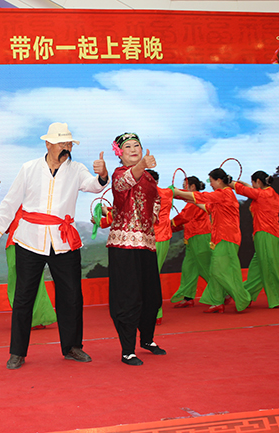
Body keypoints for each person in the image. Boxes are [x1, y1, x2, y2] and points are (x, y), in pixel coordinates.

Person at [0, 122, 107, 370]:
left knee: (71, 296)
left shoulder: (77, 169)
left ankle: (72, 347)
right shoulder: (29, 168)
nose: (67, 147)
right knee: (24, 297)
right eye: (62, 143)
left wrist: (103, 175)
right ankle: (17, 352)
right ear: (48, 144)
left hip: (64, 241)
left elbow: (94, 185)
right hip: (29, 240)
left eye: (69, 143)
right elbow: (10, 202)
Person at [106, 132, 166, 366]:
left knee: (152, 296)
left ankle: (147, 339)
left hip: (146, 243)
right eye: (128, 147)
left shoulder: (149, 177)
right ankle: (127, 349)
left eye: (137, 146)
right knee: (128, 297)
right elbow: (124, 184)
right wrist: (142, 165)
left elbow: (156, 200)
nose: (133, 149)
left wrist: (151, 219)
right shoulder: (119, 173)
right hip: (124, 245)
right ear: (119, 153)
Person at [173, 168, 251, 313]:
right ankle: (217, 302)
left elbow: (203, 198)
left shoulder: (224, 193)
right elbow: (207, 207)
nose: (210, 184)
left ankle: (242, 298)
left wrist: (178, 193)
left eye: (211, 181)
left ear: (219, 180)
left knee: (221, 270)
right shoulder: (220, 197)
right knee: (216, 270)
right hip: (220, 237)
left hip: (227, 237)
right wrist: (187, 198)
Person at [231, 171, 279, 308]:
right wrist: (243, 184)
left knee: (269, 266)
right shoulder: (272, 193)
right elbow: (250, 189)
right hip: (270, 233)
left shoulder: (261, 194)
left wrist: (228, 182)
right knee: (257, 268)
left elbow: (245, 190)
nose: (252, 185)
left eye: (253, 183)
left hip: (265, 233)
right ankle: (245, 295)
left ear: (257, 181)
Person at [5, 206, 57, 329]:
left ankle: (31, 318)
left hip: (24, 244)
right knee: (31, 282)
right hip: (27, 244)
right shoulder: (21, 202)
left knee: (22, 282)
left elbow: (5, 226)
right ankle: (36, 318)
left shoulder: (25, 203)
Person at [169, 176, 213, 308]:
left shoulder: (197, 200)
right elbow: (184, 221)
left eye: (185, 186)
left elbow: (184, 217)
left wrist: (168, 224)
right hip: (191, 238)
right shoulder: (192, 200)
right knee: (188, 269)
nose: (183, 189)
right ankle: (188, 297)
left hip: (201, 236)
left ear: (192, 187)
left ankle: (223, 293)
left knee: (205, 268)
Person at [148, 169, 172, 325]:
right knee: (151, 275)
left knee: (150, 276)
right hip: (161, 238)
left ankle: (156, 313)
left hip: (154, 238)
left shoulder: (145, 195)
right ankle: (155, 312)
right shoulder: (168, 193)